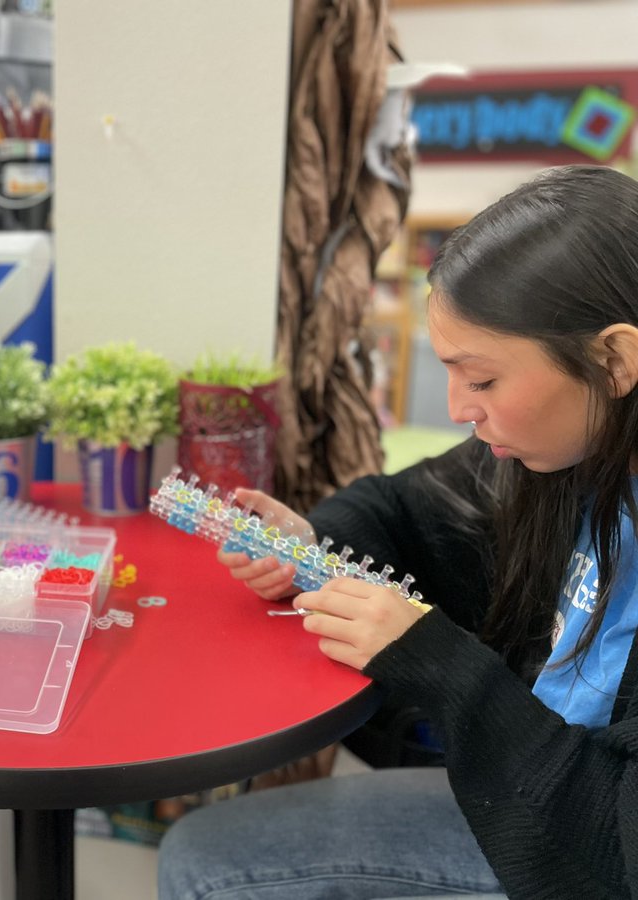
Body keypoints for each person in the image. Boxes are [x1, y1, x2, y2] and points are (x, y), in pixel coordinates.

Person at [158, 164, 638, 900]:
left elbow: (613, 857)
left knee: (204, 861)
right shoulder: (564, 452)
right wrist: (310, 545)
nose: (457, 409)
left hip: (580, 853)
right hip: (532, 784)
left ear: (615, 360)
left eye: (481, 381)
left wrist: (442, 667)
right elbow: (404, 507)